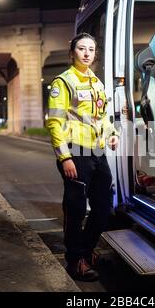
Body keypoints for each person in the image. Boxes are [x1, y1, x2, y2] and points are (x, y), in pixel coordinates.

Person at [46, 32, 119, 282]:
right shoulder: (63, 82)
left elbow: (104, 118)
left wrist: (113, 133)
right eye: (81, 49)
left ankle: (86, 253)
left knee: (104, 208)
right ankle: (75, 261)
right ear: (72, 52)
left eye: (91, 49)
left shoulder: (97, 83)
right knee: (76, 211)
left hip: (98, 153)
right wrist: (64, 157)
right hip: (75, 153)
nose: (87, 53)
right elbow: (54, 123)